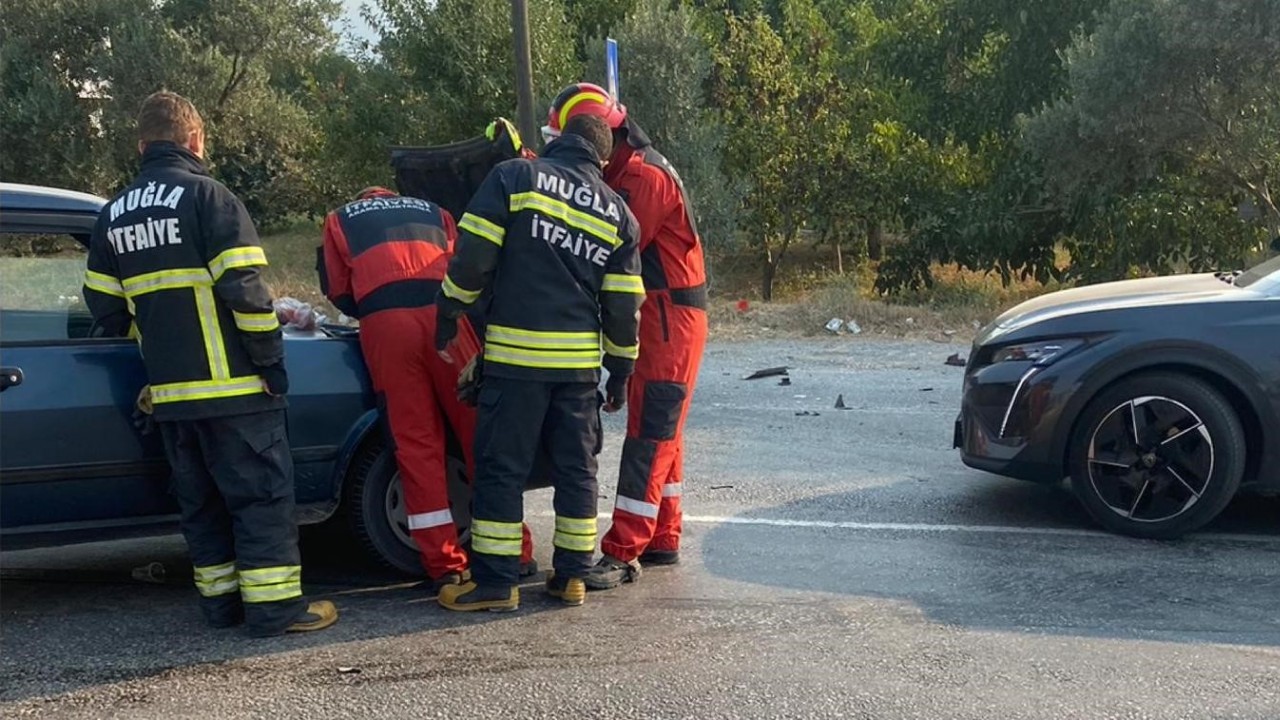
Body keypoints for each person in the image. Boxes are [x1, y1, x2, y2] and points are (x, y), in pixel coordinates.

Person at [82, 91, 337, 637]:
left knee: (202, 508)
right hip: (236, 392)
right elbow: (245, 294)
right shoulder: (210, 198)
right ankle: (274, 611)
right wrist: (272, 366)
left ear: (142, 144)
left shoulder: (113, 215)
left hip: (172, 399)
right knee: (261, 499)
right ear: (195, 139)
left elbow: (104, 309)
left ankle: (221, 609)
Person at [432, 114, 644, 612]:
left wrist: (448, 312)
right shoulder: (617, 213)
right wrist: (622, 372)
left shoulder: (514, 177)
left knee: (502, 470)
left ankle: (496, 584)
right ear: (605, 157)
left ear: (554, 141)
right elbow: (623, 304)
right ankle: (571, 575)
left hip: (515, 361)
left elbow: (472, 258)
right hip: (577, 370)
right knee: (577, 469)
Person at [318, 183, 536, 592]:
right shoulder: (436, 210)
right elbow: (464, 267)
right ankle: (515, 554)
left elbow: (339, 291)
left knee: (416, 444)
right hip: (447, 318)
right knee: (480, 435)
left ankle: (445, 564)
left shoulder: (340, 219)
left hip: (388, 325)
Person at [541, 83, 709, 591]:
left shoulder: (642, 179)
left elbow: (607, 239)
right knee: (665, 434)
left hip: (668, 316)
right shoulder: (632, 168)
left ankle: (624, 550)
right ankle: (662, 534)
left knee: (649, 435)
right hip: (665, 312)